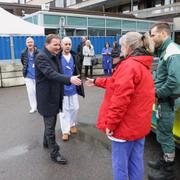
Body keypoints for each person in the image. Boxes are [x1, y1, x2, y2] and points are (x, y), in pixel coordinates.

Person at [85, 32, 155, 180]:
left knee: (120, 166)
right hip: (138, 126)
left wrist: (111, 124)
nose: (121, 49)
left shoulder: (129, 65)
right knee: (136, 162)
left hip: (124, 127)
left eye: (122, 45)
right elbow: (117, 83)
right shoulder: (142, 65)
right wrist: (97, 81)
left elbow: (120, 99)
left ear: (129, 47)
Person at [35, 34, 81, 165]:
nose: (58, 47)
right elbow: (51, 73)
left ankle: (45, 143)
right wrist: (69, 79)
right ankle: (54, 153)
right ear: (47, 44)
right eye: (55, 44)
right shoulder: (41, 57)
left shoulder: (54, 55)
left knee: (51, 121)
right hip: (47, 97)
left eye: (58, 44)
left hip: (54, 95)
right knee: (50, 125)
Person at [148, 23, 180, 180]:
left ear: (163, 34)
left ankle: (168, 171)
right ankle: (163, 160)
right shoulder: (166, 51)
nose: (151, 38)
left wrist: (157, 93)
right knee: (161, 131)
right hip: (164, 100)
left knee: (165, 133)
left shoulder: (172, 51)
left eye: (153, 35)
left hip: (168, 100)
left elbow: (175, 80)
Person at [58, 37, 85, 141]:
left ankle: (72, 124)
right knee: (64, 110)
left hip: (73, 87)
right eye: (66, 44)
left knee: (75, 108)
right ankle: (65, 131)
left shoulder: (75, 56)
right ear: (61, 45)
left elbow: (78, 69)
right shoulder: (57, 57)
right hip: (62, 87)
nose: (68, 46)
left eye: (69, 44)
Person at [21, 37, 39, 113]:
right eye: (28, 42)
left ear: (33, 43)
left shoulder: (38, 52)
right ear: (26, 44)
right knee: (30, 92)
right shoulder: (23, 52)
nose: (30, 43)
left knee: (37, 92)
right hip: (28, 75)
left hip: (37, 75)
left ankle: (39, 107)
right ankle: (33, 107)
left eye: (31, 42)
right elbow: (23, 62)